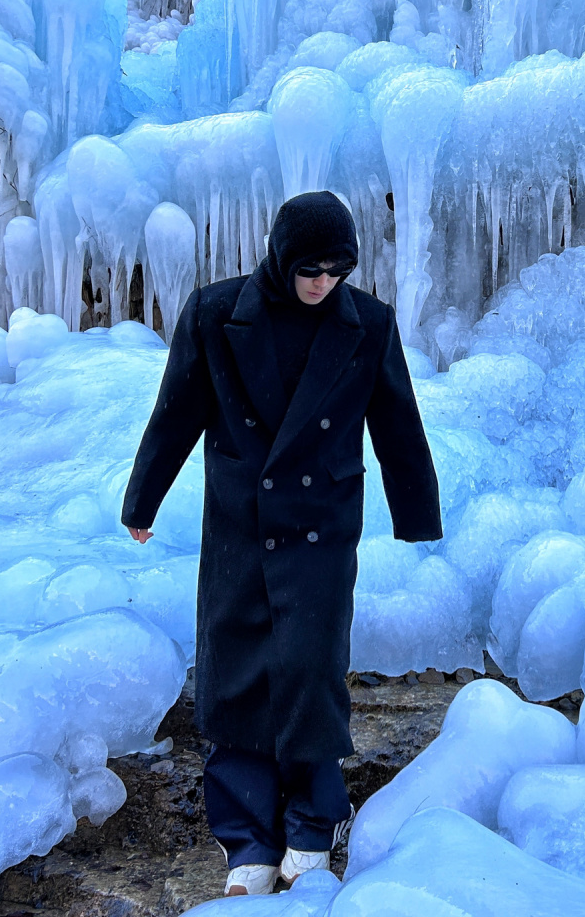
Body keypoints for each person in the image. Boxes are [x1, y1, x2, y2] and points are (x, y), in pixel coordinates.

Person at [121, 191, 442, 896]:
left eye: (336, 269)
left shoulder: (368, 325)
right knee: (235, 677)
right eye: (310, 268)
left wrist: (417, 514)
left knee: (309, 671)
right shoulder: (215, 313)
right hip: (241, 522)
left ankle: (311, 826)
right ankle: (246, 844)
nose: (323, 282)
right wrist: (143, 498)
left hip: (322, 526)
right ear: (279, 255)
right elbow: (176, 412)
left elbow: (398, 425)